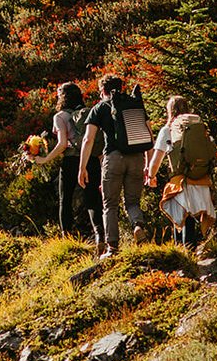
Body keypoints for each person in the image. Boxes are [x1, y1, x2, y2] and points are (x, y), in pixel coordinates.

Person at [77, 75, 153, 258]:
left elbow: (88, 140)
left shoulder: (99, 108)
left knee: (110, 204)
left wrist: (82, 167)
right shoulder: (134, 104)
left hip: (113, 157)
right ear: (122, 87)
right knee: (132, 202)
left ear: (102, 91)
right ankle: (137, 225)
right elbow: (150, 136)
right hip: (136, 158)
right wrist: (149, 165)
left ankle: (112, 247)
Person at [26, 82, 103, 250]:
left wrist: (45, 159)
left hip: (70, 161)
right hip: (90, 159)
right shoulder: (89, 113)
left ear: (63, 97)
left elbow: (62, 144)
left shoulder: (60, 117)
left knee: (65, 200)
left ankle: (67, 239)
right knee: (92, 199)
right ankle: (100, 237)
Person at [145, 95, 216, 248]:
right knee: (190, 218)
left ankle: (185, 256)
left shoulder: (168, 130)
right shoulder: (198, 126)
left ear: (170, 111)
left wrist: (151, 176)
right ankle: (192, 251)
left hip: (180, 180)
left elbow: (156, 160)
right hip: (201, 177)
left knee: (182, 218)